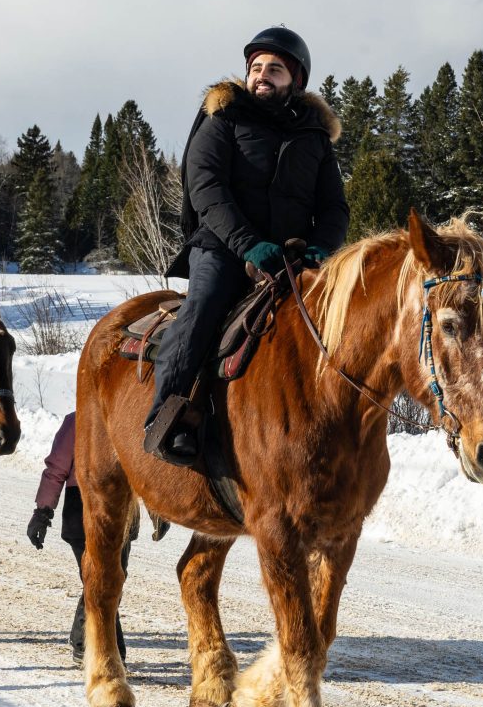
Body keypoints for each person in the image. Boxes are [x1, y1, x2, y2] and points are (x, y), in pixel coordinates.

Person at [144, 26, 349, 463]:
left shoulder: (314, 137)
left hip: (292, 257)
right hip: (221, 247)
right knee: (204, 307)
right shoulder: (224, 118)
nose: (262, 75)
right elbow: (207, 188)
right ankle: (169, 415)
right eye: (256, 67)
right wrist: (248, 245)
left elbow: (334, 209)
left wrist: (319, 249)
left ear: (295, 79)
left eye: (274, 69)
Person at [26, 412, 135, 666]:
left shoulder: (127, 417)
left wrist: (156, 510)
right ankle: (109, 649)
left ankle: (82, 640)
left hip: (123, 508)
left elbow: (144, 468)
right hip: (83, 507)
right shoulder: (76, 420)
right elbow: (56, 469)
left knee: (111, 578)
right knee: (99, 578)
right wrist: (42, 512)